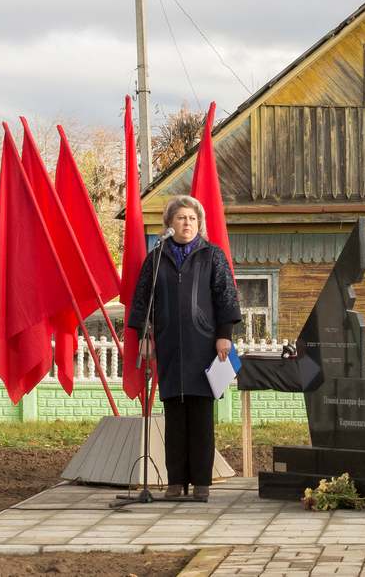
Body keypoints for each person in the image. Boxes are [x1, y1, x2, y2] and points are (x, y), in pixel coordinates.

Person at [129, 195, 241, 502]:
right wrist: (145, 335)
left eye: (192, 219)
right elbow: (142, 301)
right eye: (180, 218)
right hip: (168, 346)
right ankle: (176, 481)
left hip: (204, 346)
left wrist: (224, 334)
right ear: (169, 223)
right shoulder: (157, 256)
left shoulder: (212, 256)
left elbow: (226, 297)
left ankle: (202, 483)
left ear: (199, 223)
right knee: (174, 417)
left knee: (201, 418)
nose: (186, 223)